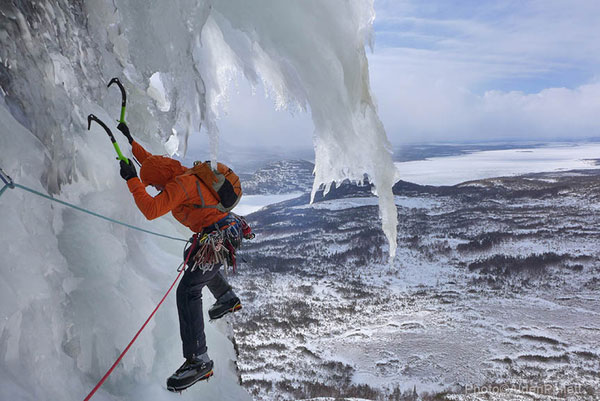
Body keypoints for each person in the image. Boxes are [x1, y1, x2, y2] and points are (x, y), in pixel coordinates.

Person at [115, 123, 242, 392]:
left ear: (163, 183)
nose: (158, 190)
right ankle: (227, 298)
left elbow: (150, 209)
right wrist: (130, 140)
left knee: (188, 289)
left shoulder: (180, 185)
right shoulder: (179, 171)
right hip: (223, 232)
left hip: (216, 239)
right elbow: (150, 162)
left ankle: (199, 360)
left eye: (157, 187)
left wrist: (132, 181)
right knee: (191, 256)